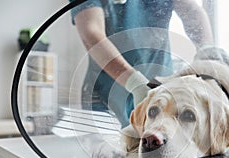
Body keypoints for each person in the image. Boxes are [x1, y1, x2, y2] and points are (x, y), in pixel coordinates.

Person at [69, 0, 214, 127]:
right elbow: (92, 33)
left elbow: (190, 10)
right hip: (106, 101)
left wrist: (207, 51)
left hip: (162, 92)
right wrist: (135, 83)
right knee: (111, 153)